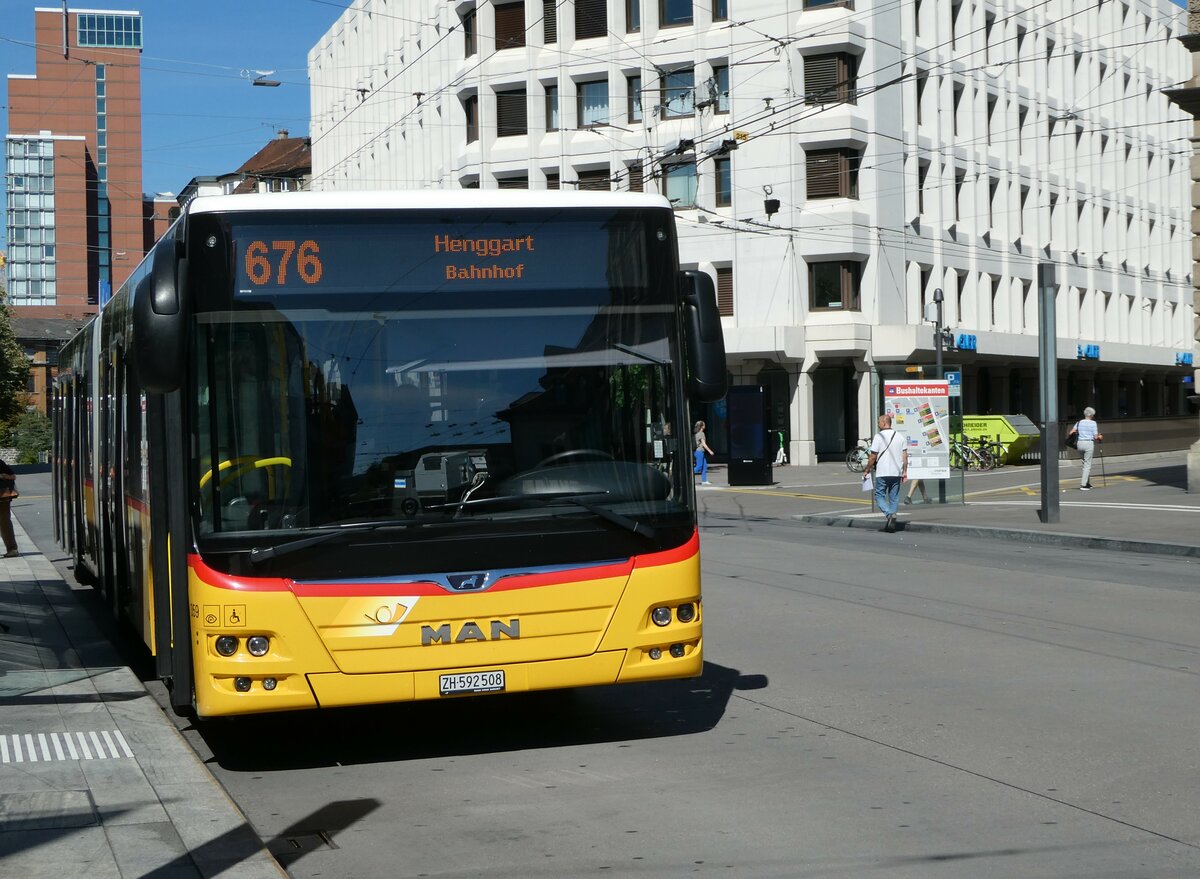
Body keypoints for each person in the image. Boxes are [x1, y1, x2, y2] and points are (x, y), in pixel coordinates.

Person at [866, 413, 908, 532]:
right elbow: (905, 456)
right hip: (896, 472)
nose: (878, 424)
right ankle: (891, 524)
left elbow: (873, 456)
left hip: (883, 472)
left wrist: (867, 469)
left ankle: (889, 515)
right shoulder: (900, 437)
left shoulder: (878, 437)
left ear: (884, 423)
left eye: (879, 422)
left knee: (879, 495)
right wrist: (905, 471)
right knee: (894, 497)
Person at [1066, 407, 1103, 490]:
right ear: (1092, 415)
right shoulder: (1093, 423)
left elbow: (1071, 432)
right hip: (1088, 443)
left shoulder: (1079, 422)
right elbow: (1095, 436)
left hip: (1079, 443)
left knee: (1084, 463)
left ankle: (1087, 482)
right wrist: (1100, 437)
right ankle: (1083, 485)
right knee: (1087, 464)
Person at [0, 458, 18, 558]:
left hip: (2, 497)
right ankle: (12, 549)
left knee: (4, 522)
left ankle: (12, 549)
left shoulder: (0, 463)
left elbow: (13, 476)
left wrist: (2, 476)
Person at [693, 420, 714, 485]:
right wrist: (710, 451)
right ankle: (687, 475)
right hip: (699, 452)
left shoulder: (696, 434)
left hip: (699, 452)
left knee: (704, 466)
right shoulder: (701, 433)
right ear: (702, 426)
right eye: (704, 425)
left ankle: (704, 480)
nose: (705, 426)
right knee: (699, 466)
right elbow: (704, 444)